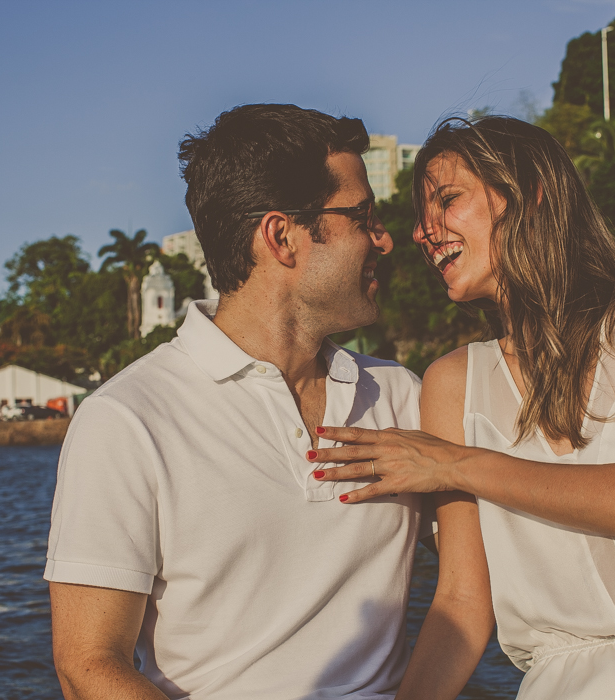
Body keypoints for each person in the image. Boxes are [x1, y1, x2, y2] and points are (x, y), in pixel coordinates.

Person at [310, 116, 615, 700]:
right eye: (422, 216)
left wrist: (452, 463)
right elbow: (464, 603)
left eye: (447, 200)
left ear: (532, 192)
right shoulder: (452, 383)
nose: (425, 232)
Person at [45, 104, 422, 699]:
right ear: (281, 237)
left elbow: (493, 571)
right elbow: (88, 665)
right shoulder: (127, 420)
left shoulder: (401, 396)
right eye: (362, 216)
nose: (385, 239)